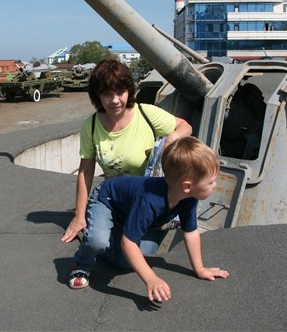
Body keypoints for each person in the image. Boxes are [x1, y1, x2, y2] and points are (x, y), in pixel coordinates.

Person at [65, 136, 230, 301]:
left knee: (126, 262)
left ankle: (105, 239)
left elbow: (191, 232)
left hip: (128, 209)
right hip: (106, 199)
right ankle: (82, 263)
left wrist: (199, 269)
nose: (214, 185)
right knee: (97, 241)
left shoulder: (189, 197)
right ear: (187, 186)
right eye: (211, 182)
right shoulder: (150, 202)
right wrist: (151, 279)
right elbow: (128, 243)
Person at [60, 58, 192, 244]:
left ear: (129, 91)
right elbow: (86, 171)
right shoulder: (90, 126)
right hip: (113, 197)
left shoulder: (146, 114)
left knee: (137, 255)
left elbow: (185, 126)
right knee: (97, 242)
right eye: (107, 94)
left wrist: (171, 139)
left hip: (149, 198)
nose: (115, 100)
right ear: (97, 95)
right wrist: (79, 215)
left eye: (120, 92)